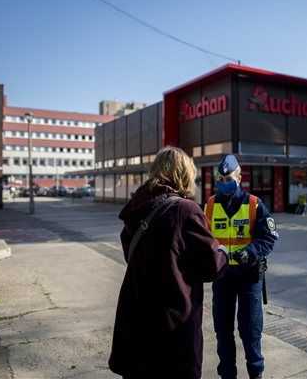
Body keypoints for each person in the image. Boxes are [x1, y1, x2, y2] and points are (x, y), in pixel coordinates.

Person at [109, 147, 228, 379]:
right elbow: (211, 266)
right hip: (172, 327)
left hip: (135, 323)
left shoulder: (138, 208)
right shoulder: (185, 210)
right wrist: (223, 251)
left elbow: (131, 254)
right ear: (184, 174)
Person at [206, 155, 278, 379]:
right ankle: (227, 374)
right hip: (222, 277)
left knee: (250, 332)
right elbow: (205, 237)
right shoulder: (210, 205)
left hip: (249, 277)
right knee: (223, 331)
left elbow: (269, 237)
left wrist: (251, 252)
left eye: (227, 178)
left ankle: (256, 373)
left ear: (239, 177)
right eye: (220, 178)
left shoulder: (254, 204)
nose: (223, 182)